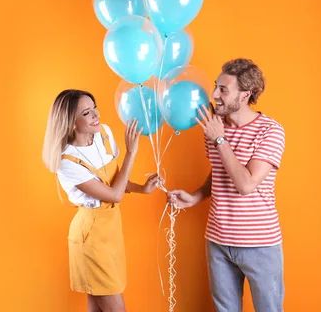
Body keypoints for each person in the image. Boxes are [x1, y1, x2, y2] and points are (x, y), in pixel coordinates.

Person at [168, 58, 286, 312]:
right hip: (218, 240)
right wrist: (195, 196)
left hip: (260, 244)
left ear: (245, 95)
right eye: (215, 87)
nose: (213, 95)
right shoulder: (214, 128)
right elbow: (221, 173)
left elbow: (245, 185)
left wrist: (220, 139)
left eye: (223, 89)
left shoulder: (270, 131)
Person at [42, 89, 162, 312]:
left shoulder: (103, 133)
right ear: (71, 123)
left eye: (94, 107)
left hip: (111, 230)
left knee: (96, 307)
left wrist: (141, 189)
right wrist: (130, 153)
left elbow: (114, 182)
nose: (96, 115)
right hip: (91, 237)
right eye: (87, 113)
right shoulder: (67, 162)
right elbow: (114, 195)